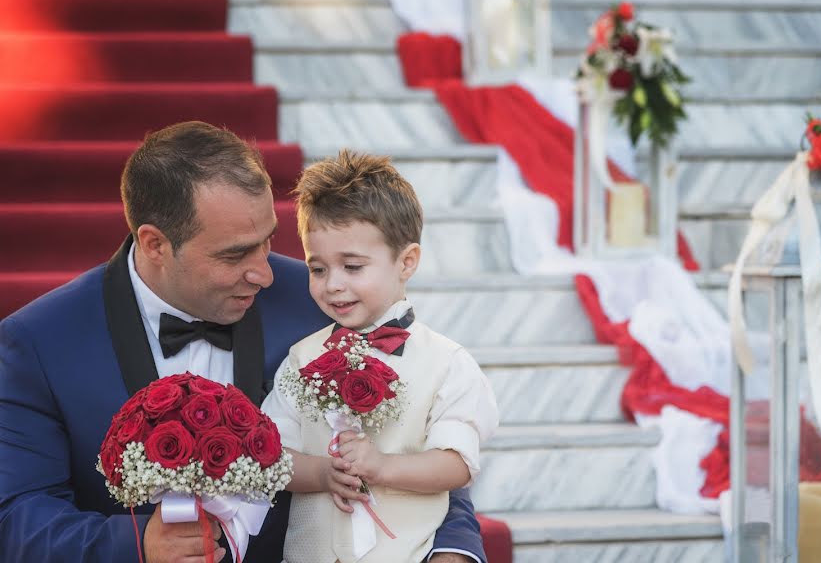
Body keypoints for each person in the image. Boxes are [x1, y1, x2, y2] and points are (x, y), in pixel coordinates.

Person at [0, 121, 487, 563]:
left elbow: (415, 426)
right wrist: (138, 545)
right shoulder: (39, 342)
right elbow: (18, 516)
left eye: (268, 241)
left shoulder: (322, 301)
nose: (265, 273)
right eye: (235, 254)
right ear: (155, 245)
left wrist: (453, 551)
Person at [261, 151, 499, 562]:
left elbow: (457, 463)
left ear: (406, 262)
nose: (333, 284)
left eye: (352, 267)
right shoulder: (301, 359)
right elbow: (270, 454)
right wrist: (321, 472)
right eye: (317, 269)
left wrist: (383, 467)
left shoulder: (447, 363)